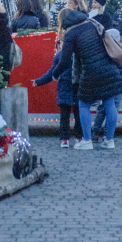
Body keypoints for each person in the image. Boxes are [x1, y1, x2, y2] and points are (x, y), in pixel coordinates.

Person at [35, 7, 122, 150]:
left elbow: (64, 60)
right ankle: (109, 140)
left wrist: (55, 74)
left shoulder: (71, 33)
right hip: (109, 67)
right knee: (109, 102)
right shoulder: (92, 23)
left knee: (83, 104)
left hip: (90, 71)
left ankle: (87, 141)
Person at [32, 9, 83, 147]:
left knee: (64, 117)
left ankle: (64, 139)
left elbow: (51, 73)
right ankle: (79, 137)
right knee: (79, 116)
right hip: (78, 87)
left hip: (64, 89)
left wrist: (38, 81)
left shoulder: (59, 56)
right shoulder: (78, 54)